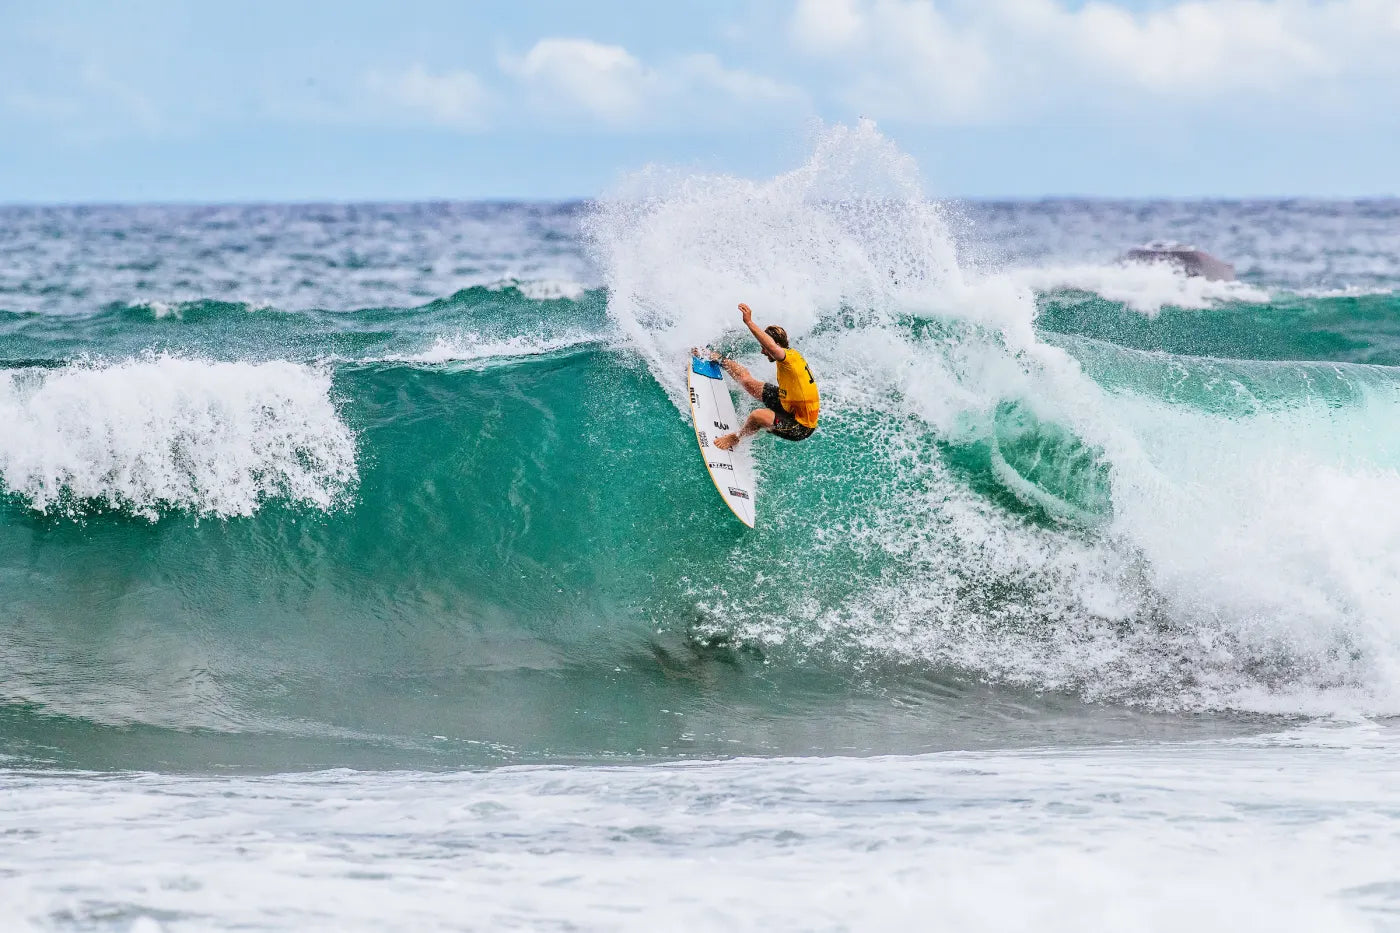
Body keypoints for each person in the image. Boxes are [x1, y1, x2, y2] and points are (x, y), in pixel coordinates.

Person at [711, 303, 819, 450]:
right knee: (747, 382)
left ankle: (736, 438)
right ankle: (718, 358)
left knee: (757, 416)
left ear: (776, 345)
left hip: (800, 426)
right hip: (788, 402)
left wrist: (748, 322)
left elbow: (773, 348)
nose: (763, 352)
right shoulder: (791, 357)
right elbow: (773, 348)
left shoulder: (787, 359)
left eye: (764, 348)